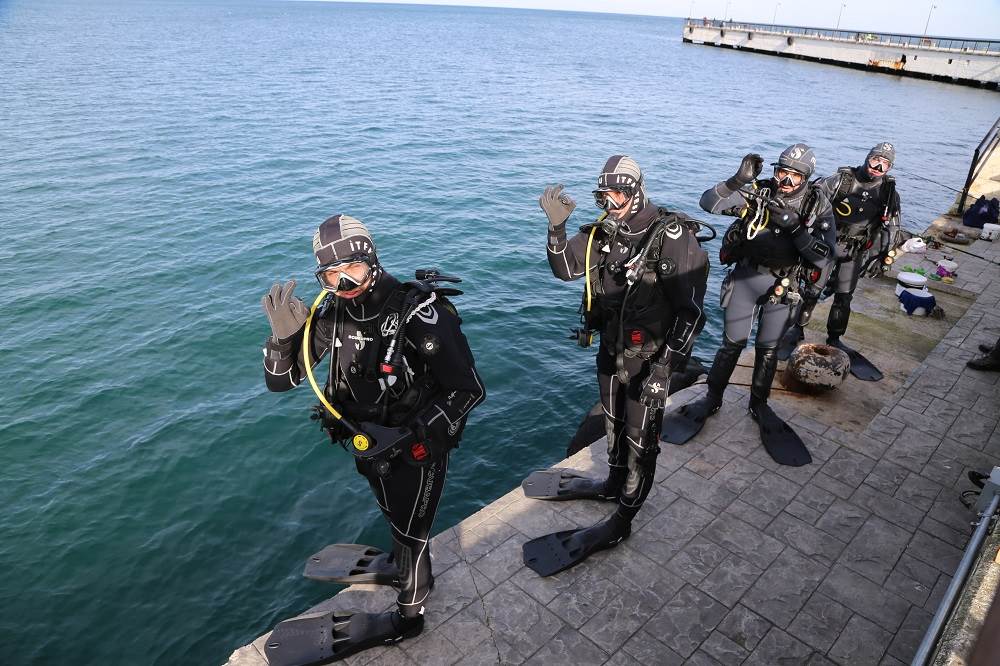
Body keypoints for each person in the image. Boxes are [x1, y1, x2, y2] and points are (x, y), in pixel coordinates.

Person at [258, 214, 485, 665]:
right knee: (394, 517)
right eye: (330, 274)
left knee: (412, 533)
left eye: (352, 270)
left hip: (416, 452)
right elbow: (281, 382)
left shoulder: (418, 313)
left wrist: (407, 437)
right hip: (369, 448)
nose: (343, 282)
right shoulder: (335, 311)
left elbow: (470, 390)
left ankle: (409, 616)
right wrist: (283, 339)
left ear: (371, 260)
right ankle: (405, 565)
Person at [521, 155, 709, 576]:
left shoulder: (671, 236)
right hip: (611, 347)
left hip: (651, 358)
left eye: (618, 193)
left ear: (637, 191)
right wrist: (556, 229)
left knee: (642, 440)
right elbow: (565, 269)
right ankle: (610, 484)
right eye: (603, 194)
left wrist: (665, 370)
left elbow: (692, 313)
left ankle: (622, 521)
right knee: (612, 421)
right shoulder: (602, 233)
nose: (611, 202)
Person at [662, 144, 836, 467]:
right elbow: (709, 203)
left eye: (794, 175)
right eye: (781, 171)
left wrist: (795, 228)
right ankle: (712, 398)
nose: (785, 179)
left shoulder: (816, 204)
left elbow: (825, 255)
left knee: (768, 349)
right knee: (731, 344)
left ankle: (759, 404)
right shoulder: (759, 194)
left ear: (805, 177)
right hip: (746, 278)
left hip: (782, 286)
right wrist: (736, 180)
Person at [777, 142, 901, 381]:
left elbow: (893, 225)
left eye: (884, 164)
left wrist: (885, 256)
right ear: (867, 157)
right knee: (812, 290)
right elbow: (808, 198)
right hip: (827, 246)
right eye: (875, 159)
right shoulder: (841, 180)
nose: (878, 166)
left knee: (844, 297)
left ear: (889, 167)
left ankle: (835, 338)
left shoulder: (888, 192)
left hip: (854, 251)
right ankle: (797, 329)